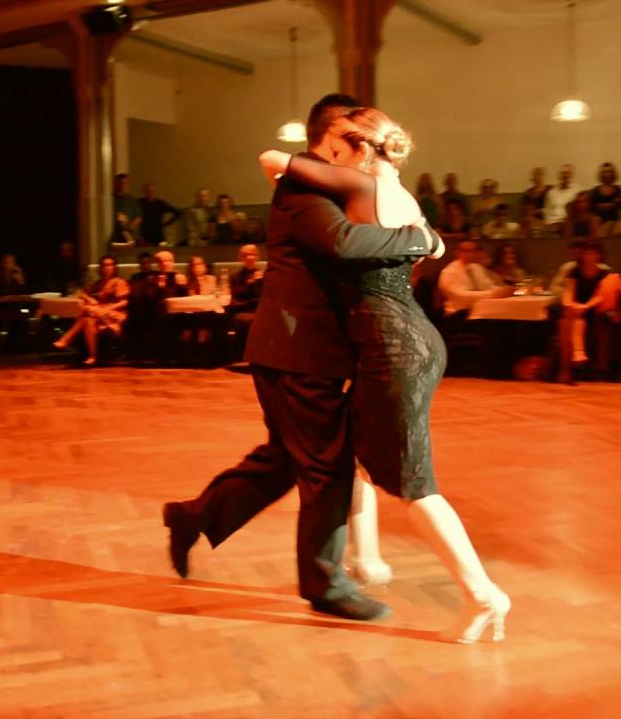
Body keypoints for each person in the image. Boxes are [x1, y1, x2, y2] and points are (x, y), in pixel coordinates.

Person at [162, 94, 444, 626]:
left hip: (302, 349)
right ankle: (324, 585)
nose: (363, 144)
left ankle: (190, 517)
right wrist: (418, 239)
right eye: (354, 133)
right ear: (332, 133)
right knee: (327, 468)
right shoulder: (303, 183)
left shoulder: (330, 179)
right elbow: (342, 243)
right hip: (297, 348)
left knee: (286, 461)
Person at [253, 106, 509, 642]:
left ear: (352, 151)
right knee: (355, 449)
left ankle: (484, 594)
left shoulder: (357, 185)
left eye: (331, 151)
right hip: (411, 338)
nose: (321, 160)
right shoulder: (404, 196)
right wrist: (423, 239)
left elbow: (276, 160)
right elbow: (434, 243)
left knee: (416, 485)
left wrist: (293, 161)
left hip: (395, 347)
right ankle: (367, 560)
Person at [558, 240, 621, 383]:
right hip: (577, 309)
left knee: (568, 321)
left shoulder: (604, 273)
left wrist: (585, 307)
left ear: (599, 255)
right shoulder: (574, 271)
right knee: (569, 319)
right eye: (586, 253)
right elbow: (568, 292)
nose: (589, 256)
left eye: (592, 253)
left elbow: (601, 296)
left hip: (595, 309)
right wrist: (569, 305)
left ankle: (566, 368)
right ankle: (576, 356)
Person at [53, 255, 129, 366]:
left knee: (88, 309)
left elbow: (124, 302)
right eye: (104, 265)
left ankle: (66, 338)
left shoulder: (119, 282)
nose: (107, 267)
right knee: (88, 320)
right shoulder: (99, 283)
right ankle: (93, 356)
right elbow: (80, 293)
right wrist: (90, 299)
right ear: (101, 268)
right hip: (98, 313)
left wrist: (108, 308)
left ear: (114, 267)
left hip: (116, 314)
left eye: (110, 265)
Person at [438, 239, 511, 321]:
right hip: (458, 315)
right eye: (466, 251)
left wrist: (503, 290)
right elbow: (461, 297)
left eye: (474, 250)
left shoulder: (475, 267)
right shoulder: (449, 272)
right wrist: (493, 294)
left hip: (479, 311)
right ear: (457, 253)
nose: (471, 254)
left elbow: (487, 286)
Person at [229, 244, 264, 351]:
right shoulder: (235, 277)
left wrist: (260, 281)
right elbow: (237, 295)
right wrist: (251, 283)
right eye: (246, 255)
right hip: (243, 310)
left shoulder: (266, 275)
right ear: (240, 258)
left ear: (258, 257)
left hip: (261, 310)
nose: (250, 257)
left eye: (252, 254)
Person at [544, 164, 579, 228]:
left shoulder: (577, 191)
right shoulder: (551, 192)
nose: (565, 176)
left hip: (569, 224)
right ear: (559, 175)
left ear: (571, 175)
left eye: (567, 173)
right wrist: (549, 224)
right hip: (552, 224)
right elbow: (547, 212)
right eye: (562, 173)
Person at [111, 173, 140, 245]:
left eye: (125, 183)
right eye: (120, 183)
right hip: (113, 238)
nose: (122, 186)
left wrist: (127, 227)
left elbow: (138, 218)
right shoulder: (110, 199)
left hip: (130, 238)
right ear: (115, 184)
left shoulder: (132, 200)